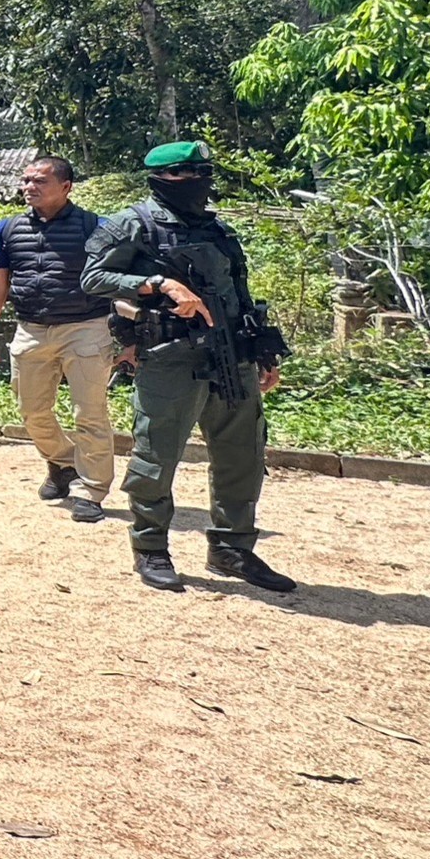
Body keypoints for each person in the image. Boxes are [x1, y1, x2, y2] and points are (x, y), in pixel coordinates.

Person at [81, 140, 295, 594]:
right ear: (159, 178)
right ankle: (151, 547)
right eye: (181, 173)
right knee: (156, 457)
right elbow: (92, 278)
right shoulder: (134, 224)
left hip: (231, 357)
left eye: (200, 172)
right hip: (171, 358)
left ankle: (232, 548)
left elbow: (239, 296)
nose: (193, 181)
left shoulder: (219, 230)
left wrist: (262, 352)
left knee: (243, 456)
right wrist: (157, 283)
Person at [0, 156, 116, 522]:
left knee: (90, 413)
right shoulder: (7, 229)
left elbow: (118, 279)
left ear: (66, 187)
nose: (29, 187)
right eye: (26, 180)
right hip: (31, 328)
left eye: (39, 181)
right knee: (31, 411)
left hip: (86, 327)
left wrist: (130, 334)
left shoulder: (97, 227)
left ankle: (92, 491)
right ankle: (63, 463)